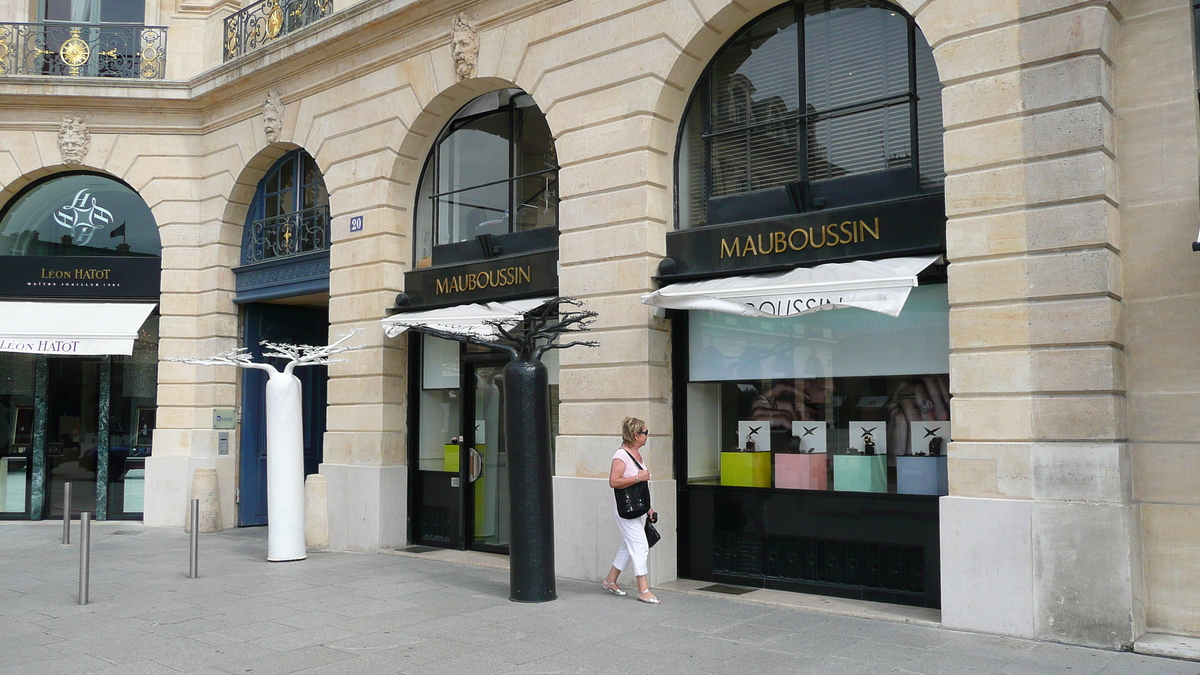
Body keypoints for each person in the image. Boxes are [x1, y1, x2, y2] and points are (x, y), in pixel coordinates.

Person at [601, 417, 659, 604]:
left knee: (629, 545)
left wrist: (649, 508)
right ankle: (643, 589)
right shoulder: (621, 456)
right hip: (626, 510)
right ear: (636, 435)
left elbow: (640, 487)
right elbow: (613, 481)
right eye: (645, 432)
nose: (647, 436)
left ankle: (610, 580)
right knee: (640, 546)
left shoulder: (636, 454)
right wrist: (637, 477)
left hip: (638, 509)